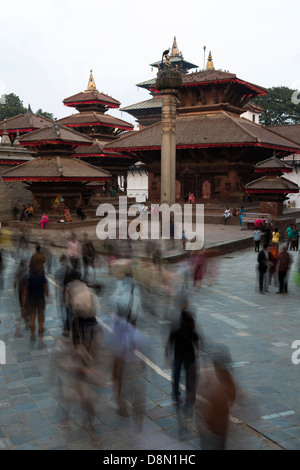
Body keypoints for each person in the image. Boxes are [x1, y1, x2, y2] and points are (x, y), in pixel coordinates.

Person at [165, 311, 201, 414]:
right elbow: (196, 342)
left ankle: (176, 395)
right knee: (187, 377)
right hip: (188, 357)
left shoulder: (177, 330)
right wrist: (198, 351)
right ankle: (185, 397)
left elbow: (169, 343)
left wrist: (166, 355)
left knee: (176, 375)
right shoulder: (190, 329)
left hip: (179, 356)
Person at [22, 267, 49, 344]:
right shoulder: (42, 278)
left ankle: (33, 334)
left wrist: (23, 305)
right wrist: (47, 296)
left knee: (32, 318)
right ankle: (40, 340)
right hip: (40, 299)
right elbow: (46, 289)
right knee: (40, 319)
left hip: (31, 300)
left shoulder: (28, 279)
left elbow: (24, 292)